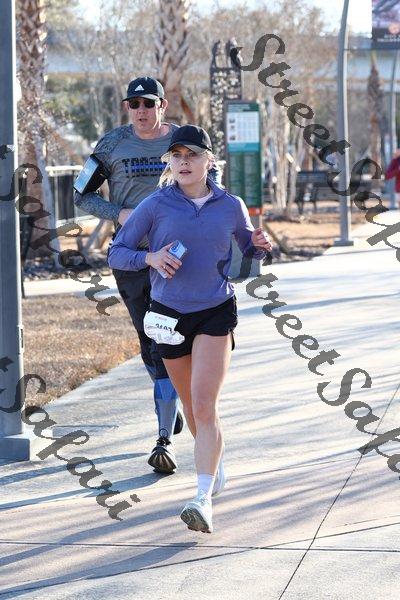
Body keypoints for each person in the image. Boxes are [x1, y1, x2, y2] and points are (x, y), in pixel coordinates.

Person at [108, 125, 273, 533]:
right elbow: (117, 252)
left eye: (192, 155)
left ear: (208, 160)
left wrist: (259, 248)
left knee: (203, 403)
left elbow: (244, 260)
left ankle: (202, 499)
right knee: (193, 407)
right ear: (170, 162)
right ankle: (213, 463)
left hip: (215, 310)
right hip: (169, 316)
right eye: (177, 155)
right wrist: (150, 258)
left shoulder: (230, 205)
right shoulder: (155, 205)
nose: (184, 162)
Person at [74, 76, 220, 475]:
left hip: (179, 257)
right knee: (151, 339)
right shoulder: (111, 145)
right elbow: (81, 194)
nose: (141, 110)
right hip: (133, 257)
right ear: (127, 107)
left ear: (162, 105)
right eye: (133, 103)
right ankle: (171, 403)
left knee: (169, 339)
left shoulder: (184, 141)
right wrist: (119, 214)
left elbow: (214, 188)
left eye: (148, 103)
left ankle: (163, 439)